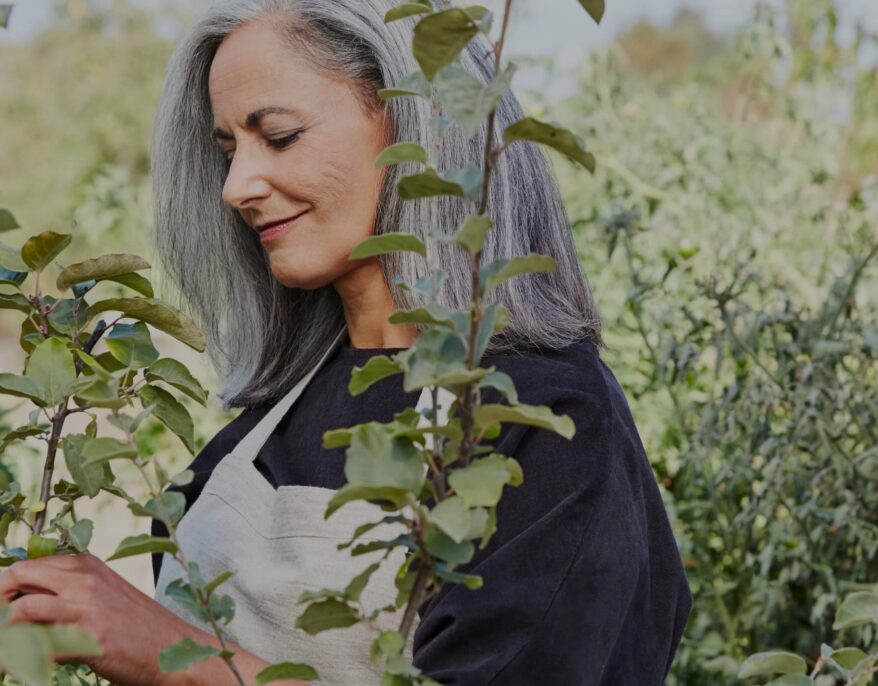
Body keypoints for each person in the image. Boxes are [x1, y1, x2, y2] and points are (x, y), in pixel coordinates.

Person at [0, 1, 691, 683]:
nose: (237, 187)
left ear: (415, 122)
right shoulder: (249, 440)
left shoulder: (545, 419)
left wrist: (170, 657)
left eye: (279, 135)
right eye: (229, 149)